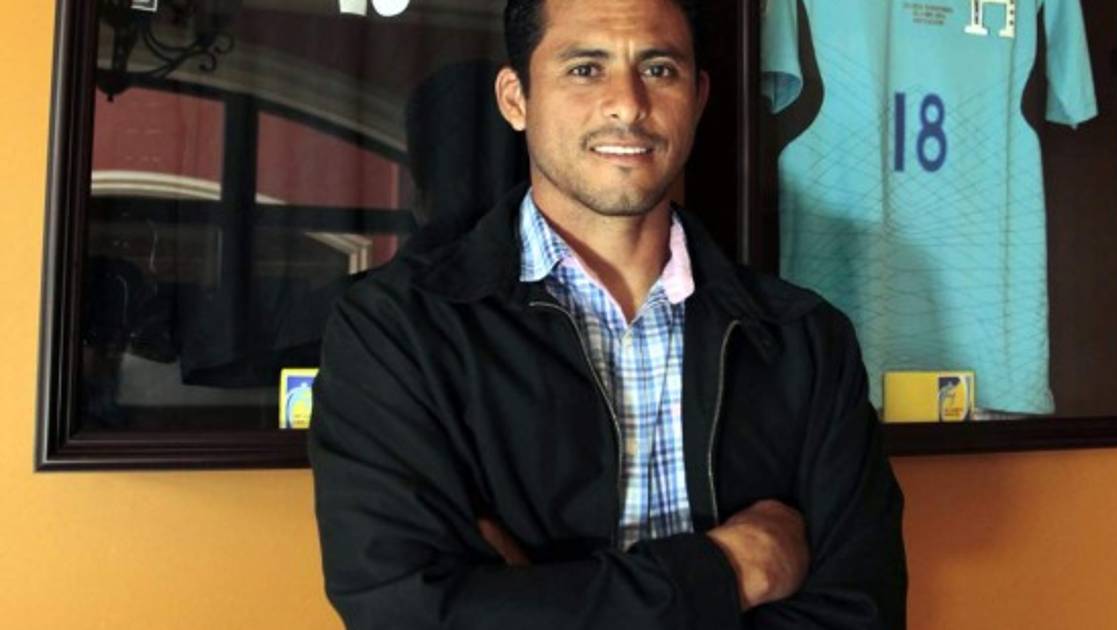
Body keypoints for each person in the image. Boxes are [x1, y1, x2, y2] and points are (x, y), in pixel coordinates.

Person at [308, 0, 907, 628]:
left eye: (658, 69)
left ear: (698, 99)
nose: (627, 103)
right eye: (585, 69)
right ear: (516, 99)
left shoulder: (804, 341)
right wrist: (729, 571)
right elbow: (405, 611)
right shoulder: (398, 331)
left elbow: (863, 613)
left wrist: (531, 599)